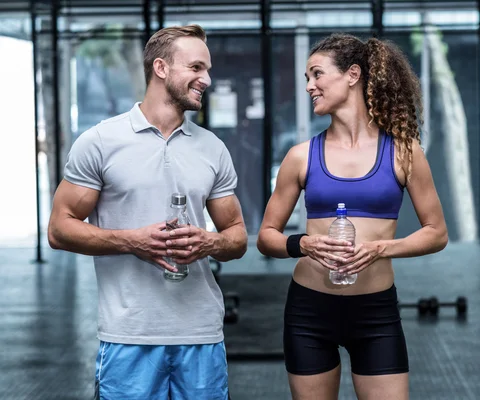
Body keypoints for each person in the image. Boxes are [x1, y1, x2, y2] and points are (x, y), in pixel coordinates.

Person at [48, 25, 247, 400]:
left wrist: (209, 242)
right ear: (161, 68)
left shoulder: (212, 148)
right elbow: (59, 230)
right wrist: (131, 241)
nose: (207, 79)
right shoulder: (100, 142)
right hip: (129, 335)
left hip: (201, 334)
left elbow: (236, 236)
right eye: (196, 67)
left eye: (207, 69)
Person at [257, 33, 448, 400]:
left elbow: (436, 232)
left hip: (375, 312)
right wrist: (305, 244)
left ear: (353, 75)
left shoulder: (404, 152)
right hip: (309, 311)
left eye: (317, 74)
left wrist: (380, 249)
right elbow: (267, 235)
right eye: (307, 79)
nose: (310, 86)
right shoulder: (300, 156)